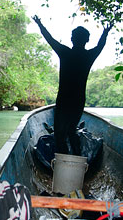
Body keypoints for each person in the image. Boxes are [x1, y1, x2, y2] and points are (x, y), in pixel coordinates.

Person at [33, 15, 110, 156]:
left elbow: (49, 39)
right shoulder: (89, 56)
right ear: (87, 40)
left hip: (64, 100)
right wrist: (105, 32)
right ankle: (78, 160)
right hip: (78, 101)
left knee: (60, 135)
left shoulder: (65, 52)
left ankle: (63, 162)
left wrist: (40, 24)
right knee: (71, 131)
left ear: (72, 39)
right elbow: (100, 46)